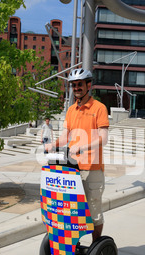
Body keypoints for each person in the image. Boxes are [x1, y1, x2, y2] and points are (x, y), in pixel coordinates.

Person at [45, 68, 109, 242]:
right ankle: (72, 246)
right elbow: (66, 136)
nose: (76, 88)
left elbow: (103, 139)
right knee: (72, 211)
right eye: (74, 85)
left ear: (88, 85)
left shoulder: (99, 108)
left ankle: (96, 248)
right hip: (72, 168)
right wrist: (52, 145)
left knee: (93, 211)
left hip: (92, 169)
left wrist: (83, 147)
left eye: (79, 84)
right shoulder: (71, 110)